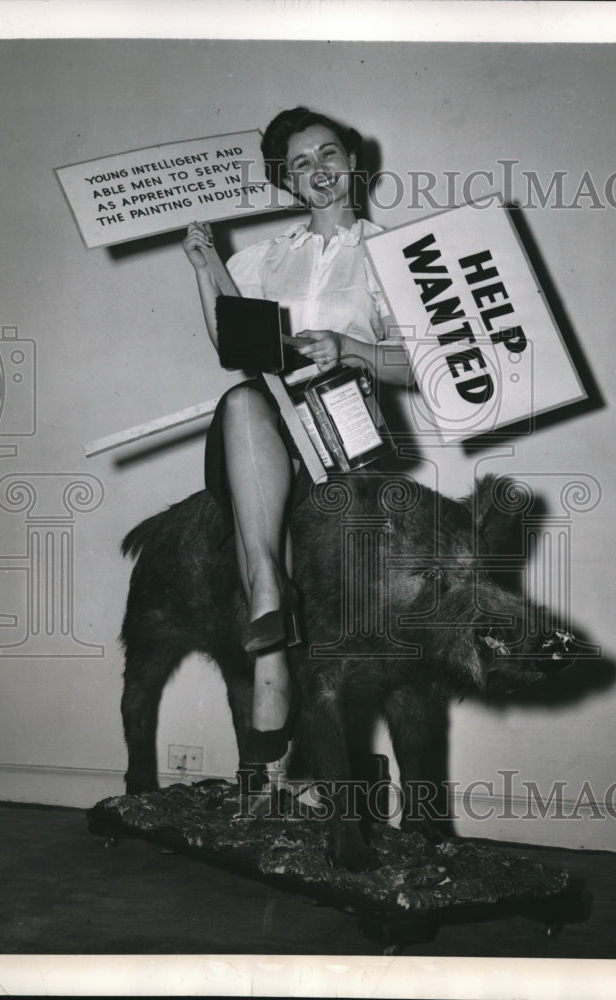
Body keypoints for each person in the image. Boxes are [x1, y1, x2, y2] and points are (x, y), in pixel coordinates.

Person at [182, 106, 412, 810]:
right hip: (268, 436)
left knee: (250, 408)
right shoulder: (264, 258)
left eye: (328, 153)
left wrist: (351, 350)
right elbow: (235, 347)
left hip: (345, 436)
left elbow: (429, 364)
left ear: (354, 160)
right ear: (287, 179)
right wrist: (206, 267)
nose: (317, 170)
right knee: (243, 401)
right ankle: (266, 595)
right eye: (300, 163)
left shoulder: (397, 249)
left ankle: (276, 669)